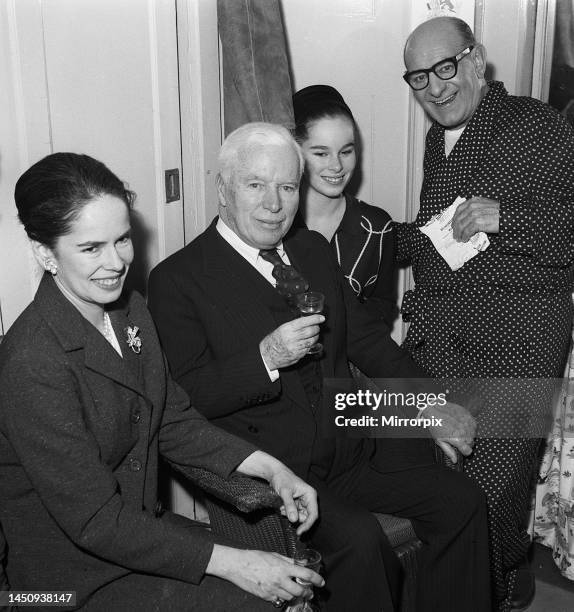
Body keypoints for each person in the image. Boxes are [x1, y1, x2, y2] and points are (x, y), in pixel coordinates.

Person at [148, 122, 492, 611]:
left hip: (352, 451)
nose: (274, 204)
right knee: (361, 541)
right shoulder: (177, 280)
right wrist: (264, 358)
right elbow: (185, 399)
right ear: (223, 189)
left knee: (460, 502)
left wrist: (430, 403)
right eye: (255, 185)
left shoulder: (309, 248)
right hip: (278, 475)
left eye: (287, 187)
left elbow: (367, 340)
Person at [0, 152, 323, 611]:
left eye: (123, 240)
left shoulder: (130, 310)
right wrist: (236, 563)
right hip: (68, 580)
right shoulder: (32, 361)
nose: (116, 263)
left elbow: (173, 421)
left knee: (293, 588)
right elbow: (95, 521)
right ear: (44, 252)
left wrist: (271, 468)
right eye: (91, 248)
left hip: (138, 537)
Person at [398, 15, 574, 611]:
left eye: (446, 67)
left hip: (520, 343)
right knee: (448, 483)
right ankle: (492, 583)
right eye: (419, 77)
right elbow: (439, 239)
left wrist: (510, 218)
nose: (435, 88)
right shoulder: (436, 141)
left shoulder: (540, 126)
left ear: (476, 61)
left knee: (494, 489)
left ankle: (495, 590)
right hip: (445, 342)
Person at [292, 84, 396, 323]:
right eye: (321, 153)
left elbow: (383, 306)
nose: (337, 166)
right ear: (296, 152)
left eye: (346, 151)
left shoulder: (377, 227)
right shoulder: (275, 223)